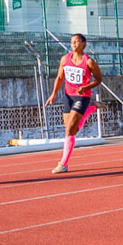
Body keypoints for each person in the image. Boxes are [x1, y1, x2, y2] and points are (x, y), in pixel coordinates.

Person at [45, 34, 103, 174]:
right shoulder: (65, 59)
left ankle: (63, 164)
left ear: (83, 43)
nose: (73, 44)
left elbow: (99, 79)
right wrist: (53, 94)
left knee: (70, 129)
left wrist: (86, 87)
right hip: (68, 96)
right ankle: (92, 108)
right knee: (70, 130)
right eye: (71, 42)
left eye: (76, 41)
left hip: (82, 96)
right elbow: (59, 78)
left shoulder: (89, 62)